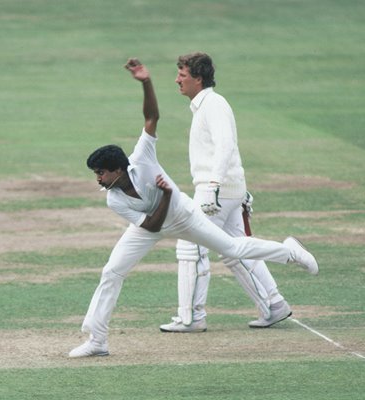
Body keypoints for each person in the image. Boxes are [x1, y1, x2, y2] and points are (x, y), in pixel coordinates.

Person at [68, 58, 318, 358]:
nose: (97, 178)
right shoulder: (114, 198)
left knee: (233, 249)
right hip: (151, 223)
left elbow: (151, 117)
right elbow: (151, 226)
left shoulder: (143, 157)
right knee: (112, 271)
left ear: (118, 169)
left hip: (184, 216)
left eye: (101, 173)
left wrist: (146, 82)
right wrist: (163, 197)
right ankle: (97, 340)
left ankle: (290, 252)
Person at [159, 52, 298, 333]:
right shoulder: (205, 105)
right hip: (226, 190)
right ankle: (273, 304)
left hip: (216, 192)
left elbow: (226, 146)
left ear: (198, 79)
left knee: (191, 247)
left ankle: (191, 318)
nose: (177, 80)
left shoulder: (214, 104)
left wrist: (213, 186)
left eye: (182, 75)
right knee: (235, 251)